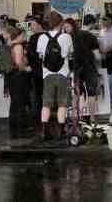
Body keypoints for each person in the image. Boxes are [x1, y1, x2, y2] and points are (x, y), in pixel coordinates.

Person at [37, 11, 74, 141]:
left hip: (47, 74)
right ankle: (60, 132)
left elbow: (41, 56)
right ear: (61, 23)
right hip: (63, 74)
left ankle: (44, 132)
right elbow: (70, 55)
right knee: (62, 104)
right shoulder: (66, 37)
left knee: (46, 104)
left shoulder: (41, 38)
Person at [63, 18, 100, 124]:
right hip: (89, 67)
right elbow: (97, 54)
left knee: (77, 93)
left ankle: (76, 118)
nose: (66, 29)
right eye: (64, 27)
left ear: (73, 26)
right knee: (89, 93)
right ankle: (92, 118)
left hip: (79, 68)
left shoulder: (68, 38)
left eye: (67, 27)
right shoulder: (86, 34)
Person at [5, 26, 32, 138]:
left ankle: (13, 127)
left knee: (14, 102)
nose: (25, 37)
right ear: (19, 35)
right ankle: (20, 128)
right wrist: (27, 68)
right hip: (18, 77)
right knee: (19, 102)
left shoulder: (10, 44)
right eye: (23, 35)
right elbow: (18, 63)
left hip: (11, 77)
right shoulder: (18, 46)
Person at [26, 17, 46, 127]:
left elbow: (31, 55)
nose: (31, 27)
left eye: (32, 24)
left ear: (39, 25)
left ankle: (39, 118)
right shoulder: (49, 35)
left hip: (37, 71)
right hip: (48, 70)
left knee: (38, 95)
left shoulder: (33, 38)